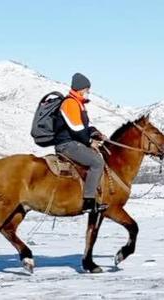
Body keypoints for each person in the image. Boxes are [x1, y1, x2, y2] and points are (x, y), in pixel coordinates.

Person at [53, 73, 108, 214]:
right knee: (97, 162)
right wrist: (90, 142)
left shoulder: (79, 104)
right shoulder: (70, 103)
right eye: (87, 89)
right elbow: (77, 129)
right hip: (66, 144)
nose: (88, 92)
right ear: (81, 89)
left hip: (74, 142)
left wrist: (97, 134)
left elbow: (87, 126)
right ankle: (89, 202)